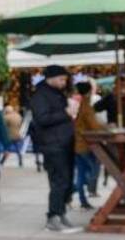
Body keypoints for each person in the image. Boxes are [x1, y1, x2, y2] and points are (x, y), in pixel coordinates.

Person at [30, 65, 80, 234]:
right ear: (50, 78)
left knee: (66, 181)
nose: (64, 82)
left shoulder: (57, 93)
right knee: (59, 181)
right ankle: (53, 218)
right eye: (61, 79)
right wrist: (66, 112)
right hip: (53, 145)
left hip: (65, 143)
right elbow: (42, 119)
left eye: (65, 79)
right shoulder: (40, 95)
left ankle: (61, 213)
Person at [74, 81, 107, 210]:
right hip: (85, 145)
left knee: (82, 173)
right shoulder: (87, 107)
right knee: (93, 171)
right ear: (89, 91)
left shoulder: (83, 104)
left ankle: (82, 200)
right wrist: (107, 128)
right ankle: (69, 191)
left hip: (79, 144)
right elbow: (93, 125)